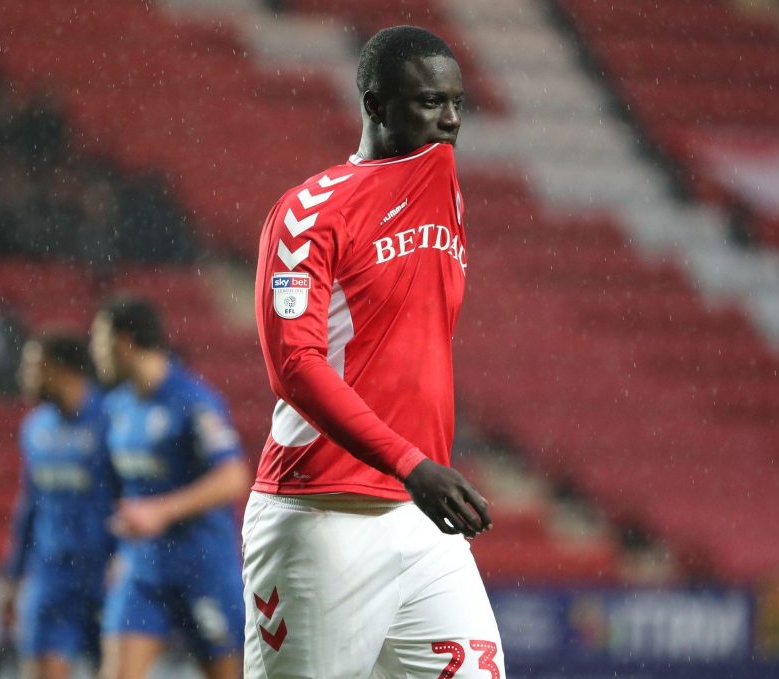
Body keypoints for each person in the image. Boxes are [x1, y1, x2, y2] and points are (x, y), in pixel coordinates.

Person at [245, 25, 505, 678]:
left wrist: (416, 471)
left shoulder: (444, 193)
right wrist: (411, 462)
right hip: (320, 517)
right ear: (373, 104)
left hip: (420, 526)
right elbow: (294, 366)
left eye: (455, 103)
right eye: (427, 103)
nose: (448, 121)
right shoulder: (307, 213)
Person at [89, 295, 248, 679]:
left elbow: (233, 477)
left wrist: (161, 511)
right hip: (142, 570)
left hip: (203, 566)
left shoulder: (194, 401)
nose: (95, 352)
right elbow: (117, 490)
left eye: (99, 340)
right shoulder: (116, 408)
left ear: (124, 341)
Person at [0, 332, 116, 679]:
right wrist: (12, 574)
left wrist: (126, 556)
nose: (25, 375)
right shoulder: (34, 428)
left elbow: (134, 495)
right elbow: (30, 506)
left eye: (35, 366)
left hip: (105, 575)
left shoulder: (109, 420)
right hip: (51, 574)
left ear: (64, 370)